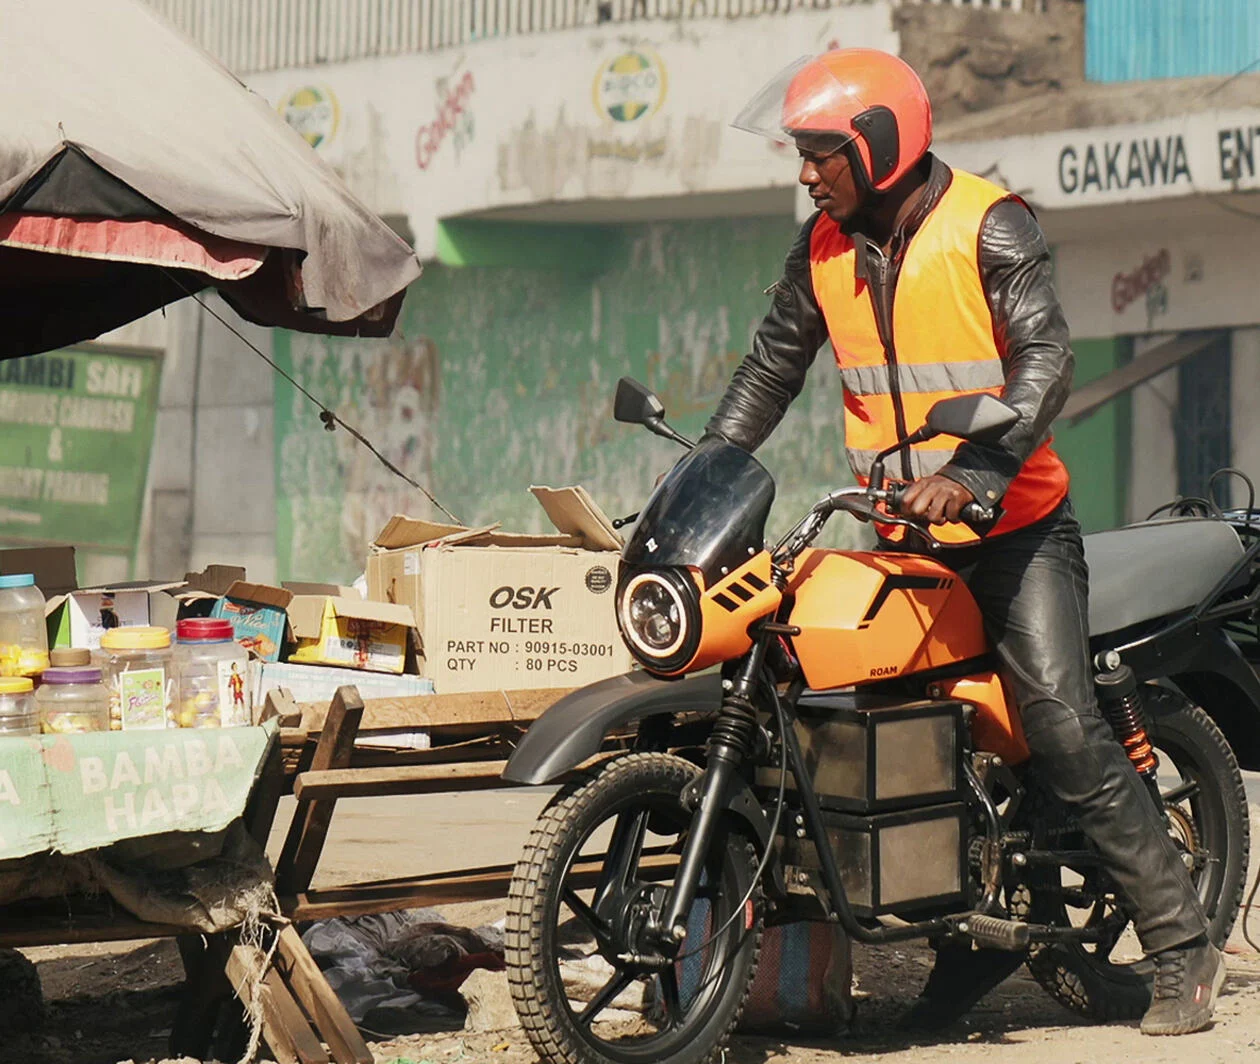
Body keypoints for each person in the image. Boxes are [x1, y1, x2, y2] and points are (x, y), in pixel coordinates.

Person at [705, 48, 1223, 1036]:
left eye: (821, 154)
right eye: (803, 153)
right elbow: (770, 368)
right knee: (871, 719)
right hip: (903, 531)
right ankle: (966, 934)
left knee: (1062, 726)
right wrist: (706, 467)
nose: (806, 172)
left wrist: (978, 475)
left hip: (1015, 530)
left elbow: (1045, 361)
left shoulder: (990, 223)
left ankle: (1180, 947)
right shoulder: (822, 249)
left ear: (881, 145)